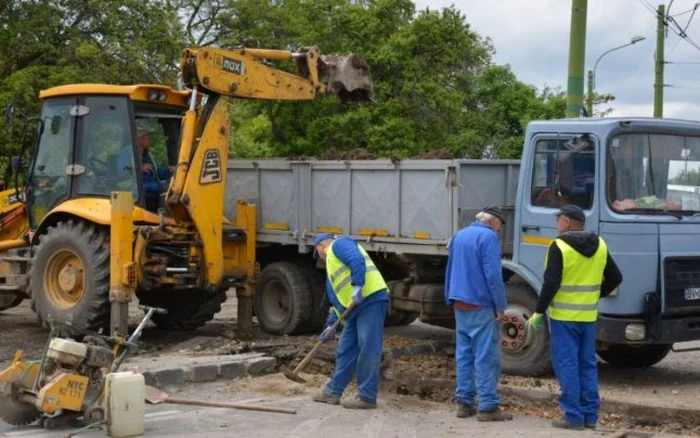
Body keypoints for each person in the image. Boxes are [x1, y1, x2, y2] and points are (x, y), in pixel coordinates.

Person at [526, 204, 623, 430]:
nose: (556, 223)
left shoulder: (559, 246)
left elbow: (551, 283)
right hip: (588, 317)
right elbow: (616, 277)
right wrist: (595, 296)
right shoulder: (600, 244)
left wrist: (539, 311)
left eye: (558, 218)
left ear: (567, 222)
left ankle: (573, 417)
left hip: (564, 318)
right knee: (587, 364)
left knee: (567, 364)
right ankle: (590, 416)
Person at [445, 205, 512, 421]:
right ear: (493, 221)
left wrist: (450, 296)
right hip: (481, 304)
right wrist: (501, 306)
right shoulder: (488, 237)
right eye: (500, 225)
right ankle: (488, 407)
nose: (499, 231)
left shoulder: (459, 235)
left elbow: (449, 269)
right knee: (486, 356)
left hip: (459, 302)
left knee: (464, 354)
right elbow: (493, 276)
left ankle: (464, 404)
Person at [311, 233, 389, 409]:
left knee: (368, 346)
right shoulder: (331, 269)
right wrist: (331, 325)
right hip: (353, 309)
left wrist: (358, 285)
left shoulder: (339, 245)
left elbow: (356, 259)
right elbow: (338, 301)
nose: (319, 259)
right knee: (345, 348)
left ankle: (367, 396)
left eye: (317, 253)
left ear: (320, 246)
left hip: (370, 299)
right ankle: (333, 391)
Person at [118, 128, 171, 212]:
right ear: (139, 139)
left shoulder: (147, 154)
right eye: (148, 138)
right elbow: (122, 173)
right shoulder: (126, 152)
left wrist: (169, 170)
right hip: (132, 187)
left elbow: (155, 173)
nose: (150, 140)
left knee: (170, 186)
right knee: (164, 188)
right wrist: (140, 169)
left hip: (147, 185)